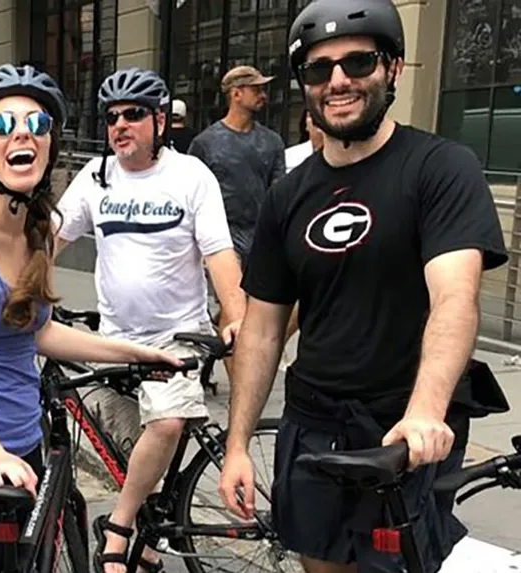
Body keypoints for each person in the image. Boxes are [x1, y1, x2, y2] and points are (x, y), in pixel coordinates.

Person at [218, 2, 508, 573]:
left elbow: (455, 296)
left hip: (402, 426)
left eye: (358, 62)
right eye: (319, 70)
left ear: (393, 69)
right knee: (320, 565)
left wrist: (426, 411)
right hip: (313, 424)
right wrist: (236, 446)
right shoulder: (288, 195)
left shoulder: (441, 167)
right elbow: (263, 329)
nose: (339, 81)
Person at [0, 63, 184, 573]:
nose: (24, 135)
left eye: (38, 126)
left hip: (24, 447)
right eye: (4, 125)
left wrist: (137, 353)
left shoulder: (40, 230)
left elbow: (38, 332)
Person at [54, 67, 247, 573]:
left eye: (133, 114)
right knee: (120, 446)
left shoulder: (190, 177)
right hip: (114, 342)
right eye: (112, 117)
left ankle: (119, 531)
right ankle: (149, 536)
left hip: (176, 338)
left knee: (165, 424)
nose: (120, 125)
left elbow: (219, 253)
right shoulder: (95, 178)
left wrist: (235, 313)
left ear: (160, 120)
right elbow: (52, 235)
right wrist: (12, 285)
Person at [187, 65, 286, 268]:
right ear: (237, 94)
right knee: (232, 299)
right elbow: (189, 195)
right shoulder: (205, 143)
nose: (263, 95)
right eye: (256, 89)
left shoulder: (272, 142)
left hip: (262, 241)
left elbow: (279, 193)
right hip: (222, 242)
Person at [285, 108, 325, 173]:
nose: (318, 122)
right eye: (313, 117)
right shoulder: (289, 157)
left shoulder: (344, 158)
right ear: (306, 124)